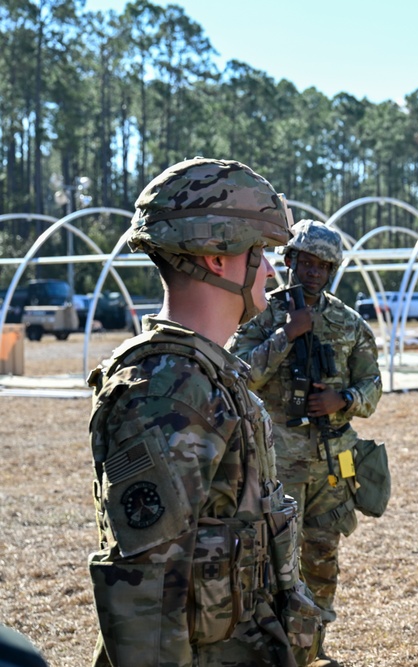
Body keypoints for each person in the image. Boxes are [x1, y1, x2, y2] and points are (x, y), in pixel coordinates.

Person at [87, 157, 320, 667]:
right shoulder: (167, 392)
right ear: (218, 257)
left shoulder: (209, 374)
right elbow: (146, 593)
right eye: (260, 251)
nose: (272, 269)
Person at [228, 219, 383, 666]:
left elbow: (373, 387)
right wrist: (287, 334)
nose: (313, 272)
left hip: (332, 470)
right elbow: (238, 377)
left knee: (321, 563)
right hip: (276, 470)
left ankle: (313, 650)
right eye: (306, 261)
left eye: (323, 265)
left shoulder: (348, 323)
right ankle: (272, 652)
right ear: (289, 260)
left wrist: (344, 399)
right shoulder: (261, 315)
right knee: (269, 567)